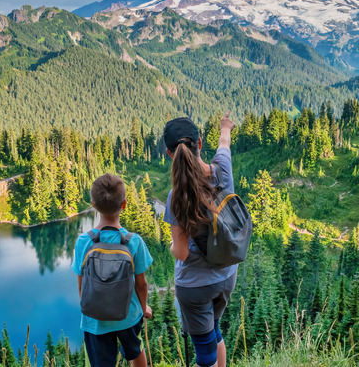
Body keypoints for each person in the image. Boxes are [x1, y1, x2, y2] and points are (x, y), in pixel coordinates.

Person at [163, 112, 237, 367]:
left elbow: (182, 252)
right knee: (214, 331)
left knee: (204, 356)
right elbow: (224, 144)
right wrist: (225, 127)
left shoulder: (176, 196)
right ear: (200, 144)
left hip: (195, 286)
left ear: (170, 153)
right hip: (227, 275)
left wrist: (171, 245)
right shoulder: (222, 170)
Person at [72, 173, 153, 367]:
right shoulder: (134, 241)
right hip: (128, 316)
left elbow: (81, 285)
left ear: (92, 203)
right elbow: (141, 285)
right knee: (136, 350)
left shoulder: (84, 241)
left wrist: (91, 306)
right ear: (124, 204)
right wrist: (143, 309)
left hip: (95, 321)